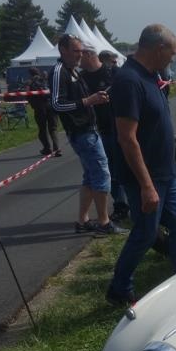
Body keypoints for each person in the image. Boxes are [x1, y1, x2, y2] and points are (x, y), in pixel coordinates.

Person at [106, 24, 176, 307]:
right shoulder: (129, 81)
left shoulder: (151, 76)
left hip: (166, 173)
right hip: (147, 178)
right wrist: (146, 186)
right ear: (158, 49)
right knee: (144, 234)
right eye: (172, 52)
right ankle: (119, 289)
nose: (172, 58)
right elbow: (127, 138)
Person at [51, 34, 125, 235]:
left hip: (89, 130)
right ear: (63, 50)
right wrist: (88, 101)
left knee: (90, 177)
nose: (80, 55)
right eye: (76, 51)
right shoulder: (59, 72)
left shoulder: (73, 71)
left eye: (82, 51)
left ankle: (83, 220)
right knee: (102, 174)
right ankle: (104, 222)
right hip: (82, 132)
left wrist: (93, 100)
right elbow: (57, 104)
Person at [81, 46, 129, 222]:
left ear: (89, 55)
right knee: (110, 171)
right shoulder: (82, 78)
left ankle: (138, 201)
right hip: (97, 130)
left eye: (81, 54)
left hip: (120, 127)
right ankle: (120, 205)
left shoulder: (114, 73)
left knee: (128, 165)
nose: (79, 59)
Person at [26, 67, 60, 156]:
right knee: (53, 128)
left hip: (39, 108)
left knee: (42, 129)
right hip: (51, 106)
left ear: (30, 74)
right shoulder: (46, 80)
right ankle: (57, 148)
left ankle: (47, 148)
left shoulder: (29, 82)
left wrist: (32, 104)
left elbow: (27, 95)